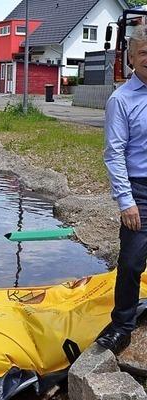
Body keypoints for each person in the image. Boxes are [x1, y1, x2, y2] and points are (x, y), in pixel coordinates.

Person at [99, 25, 147, 354]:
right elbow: (114, 154)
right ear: (131, 58)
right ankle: (122, 326)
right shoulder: (121, 100)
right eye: (145, 54)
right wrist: (126, 201)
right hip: (140, 192)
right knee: (131, 263)